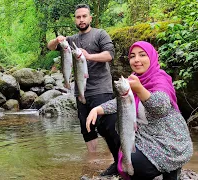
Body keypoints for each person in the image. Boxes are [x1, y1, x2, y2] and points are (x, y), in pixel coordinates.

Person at [86, 41, 193, 179]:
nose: (136, 60)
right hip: (145, 135)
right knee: (105, 118)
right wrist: (98, 109)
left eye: (142, 55)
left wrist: (140, 89)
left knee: (136, 166)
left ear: (153, 57)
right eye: (132, 56)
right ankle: (118, 160)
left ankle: (172, 168)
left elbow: (160, 107)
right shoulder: (135, 79)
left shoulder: (160, 79)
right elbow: (123, 101)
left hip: (169, 140)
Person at [47, 3, 120, 176]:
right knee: (86, 128)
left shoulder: (100, 34)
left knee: (107, 127)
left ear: (90, 18)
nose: (81, 20)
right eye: (78, 17)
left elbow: (110, 55)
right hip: (81, 91)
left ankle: (116, 160)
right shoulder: (71, 41)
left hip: (101, 89)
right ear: (75, 19)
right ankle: (93, 160)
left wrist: (89, 56)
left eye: (84, 16)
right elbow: (50, 47)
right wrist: (56, 40)